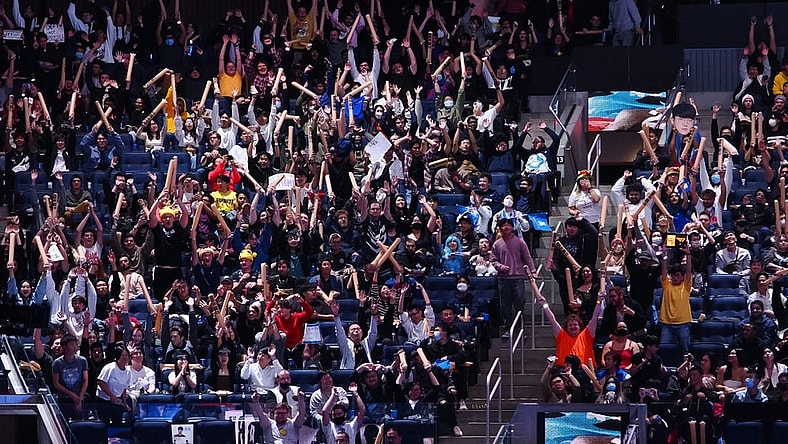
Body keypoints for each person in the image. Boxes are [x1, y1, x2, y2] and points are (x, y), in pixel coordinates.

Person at [535, 274, 604, 367]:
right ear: (566, 327)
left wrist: (599, 301)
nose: (573, 327)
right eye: (570, 325)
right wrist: (544, 305)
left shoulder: (587, 335)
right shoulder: (561, 336)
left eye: (575, 325)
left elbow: (595, 316)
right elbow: (552, 319)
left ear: (580, 326)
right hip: (563, 371)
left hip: (584, 372)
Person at [492, 217, 536, 338]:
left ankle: (521, 328)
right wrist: (500, 266)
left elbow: (527, 257)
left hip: (518, 278)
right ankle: (507, 329)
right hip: (503, 279)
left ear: (512, 227)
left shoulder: (520, 242)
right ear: (500, 228)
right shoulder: (497, 244)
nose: (506, 227)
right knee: (505, 305)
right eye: (503, 225)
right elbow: (493, 260)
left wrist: (532, 271)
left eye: (508, 225)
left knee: (520, 303)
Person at [659, 245, 693, 355]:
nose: (675, 277)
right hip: (666, 324)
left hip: (683, 324)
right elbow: (664, 271)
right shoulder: (667, 285)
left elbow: (688, 270)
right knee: (663, 350)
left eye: (678, 275)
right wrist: (664, 254)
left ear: (682, 277)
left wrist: (688, 254)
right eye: (673, 275)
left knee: (686, 351)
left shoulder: (686, 285)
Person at [51, 334, 89, 420]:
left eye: (75, 344)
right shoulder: (57, 363)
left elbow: (85, 380)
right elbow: (56, 383)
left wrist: (79, 398)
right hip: (64, 399)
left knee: (79, 421)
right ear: (64, 346)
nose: (75, 347)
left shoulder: (82, 361)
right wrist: (72, 395)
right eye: (72, 344)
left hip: (79, 397)